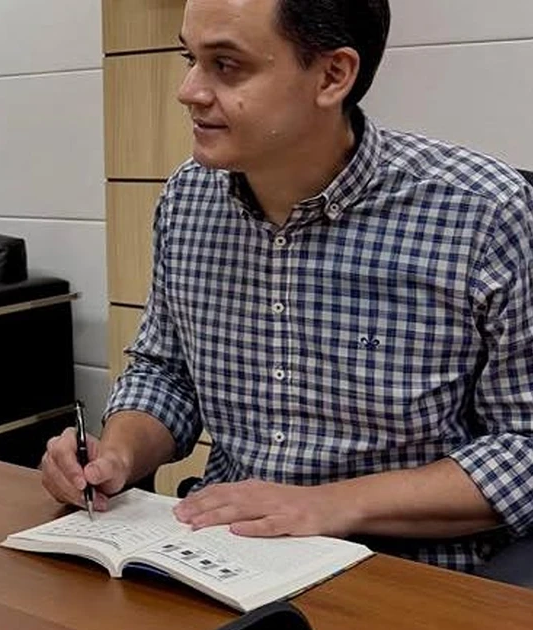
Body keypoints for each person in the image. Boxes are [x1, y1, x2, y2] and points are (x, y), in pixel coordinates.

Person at [42, 0, 533, 573]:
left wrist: (329, 505)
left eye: (226, 65)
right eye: (189, 59)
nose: (188, 91)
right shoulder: (188, 199)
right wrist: (118, 454)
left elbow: (524, 446)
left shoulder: (482, 213)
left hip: (406, 568)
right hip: (222, 550)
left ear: (332, 76)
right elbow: (165, 372)